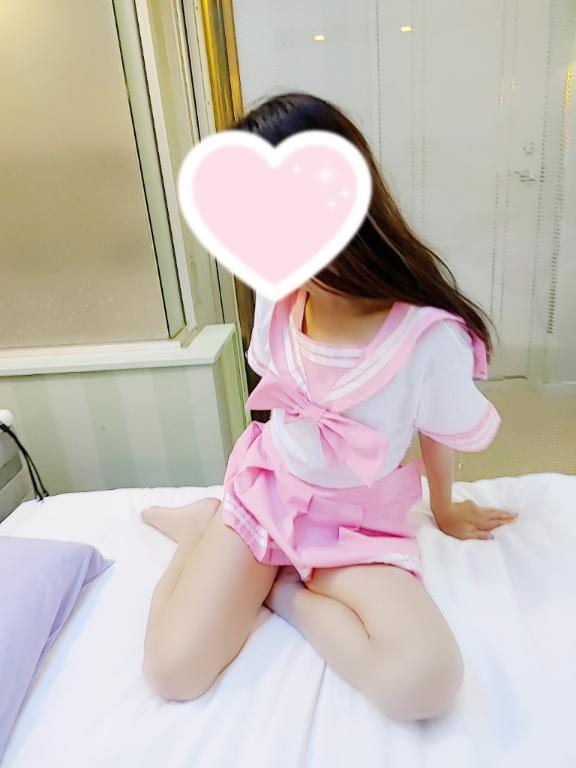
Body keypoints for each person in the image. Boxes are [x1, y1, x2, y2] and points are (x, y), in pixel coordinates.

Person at [141, 92, 517, 721]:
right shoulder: (280, 295)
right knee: (172, 672)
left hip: (356, 528)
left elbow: (436, 427)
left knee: (426, 683)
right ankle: (200, 529)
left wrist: (444, 506)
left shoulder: (427, 336)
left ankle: (285, 589)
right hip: (267, 495)